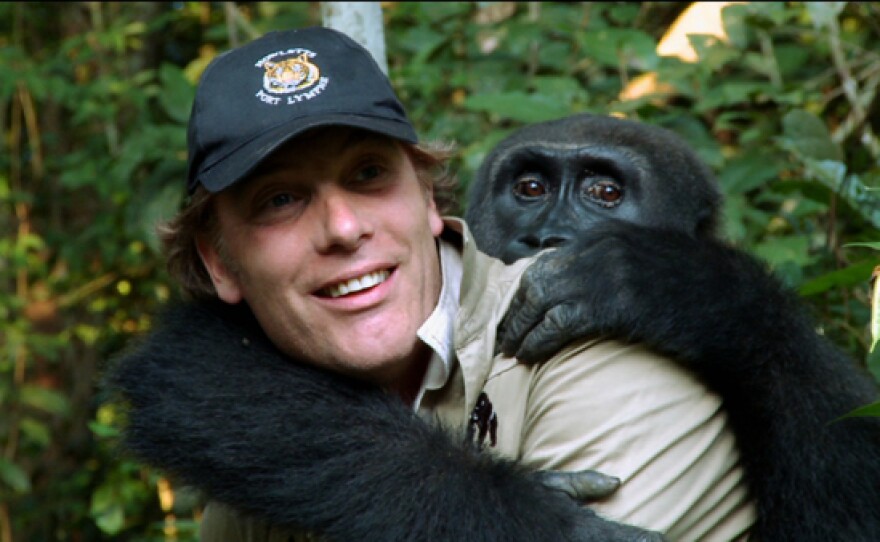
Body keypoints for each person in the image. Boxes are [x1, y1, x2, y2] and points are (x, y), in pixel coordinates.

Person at [110, 26, 756, 541]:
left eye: (368, 174)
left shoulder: (592, 341)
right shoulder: (256, 431)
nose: (341, 227)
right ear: (219, 262)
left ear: (426, 194)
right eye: (279, 199)